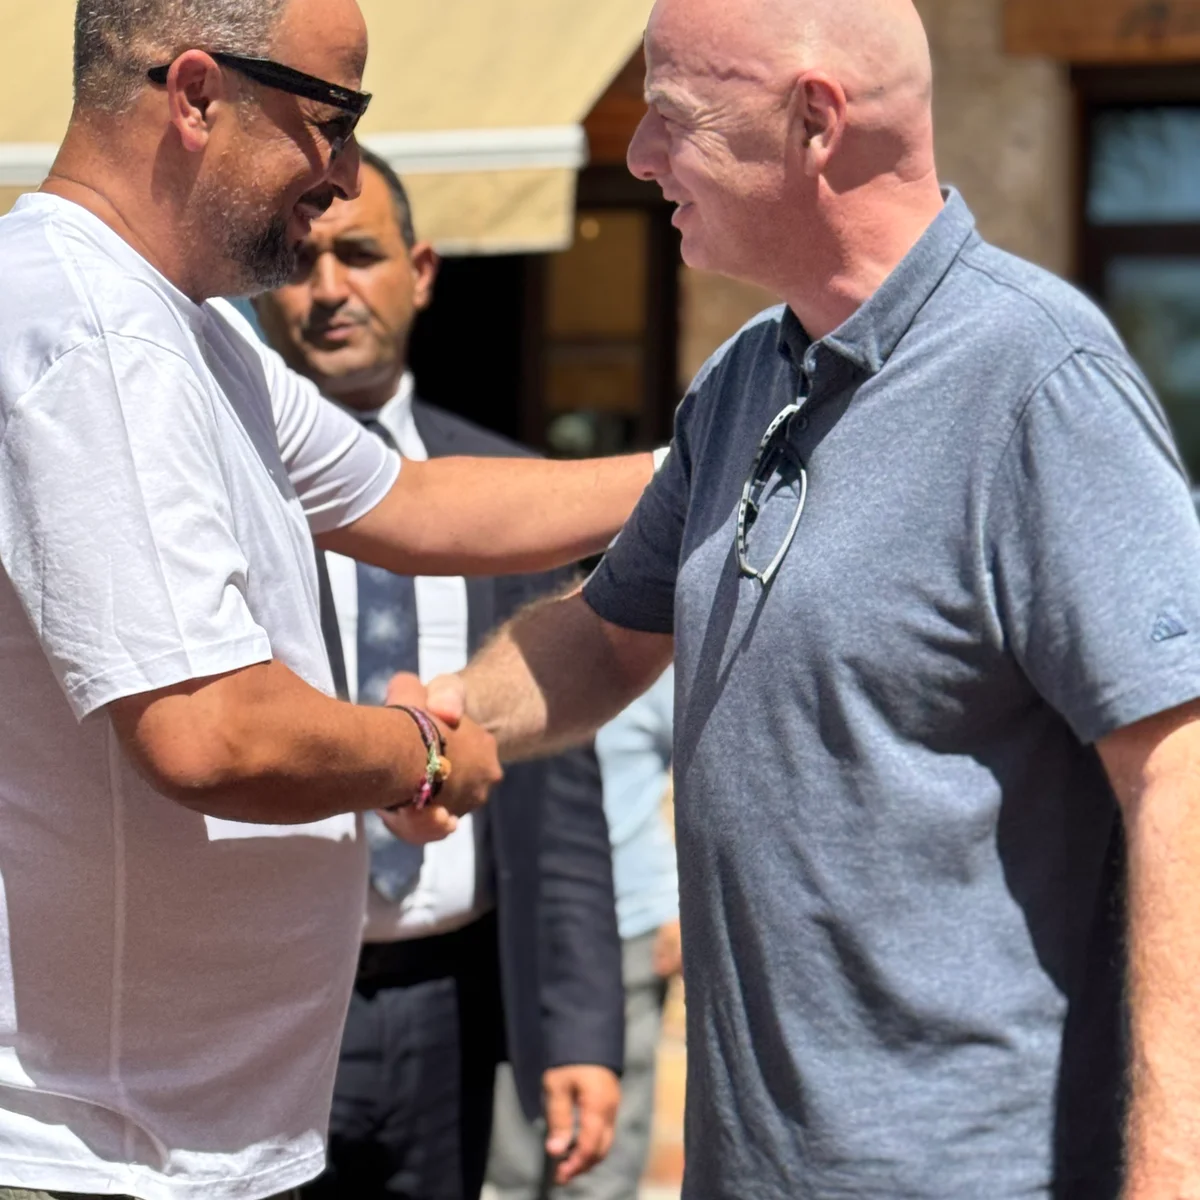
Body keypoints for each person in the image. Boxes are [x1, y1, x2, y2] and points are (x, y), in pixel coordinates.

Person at [404, 0, 1200, 1195]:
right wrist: (435, 723)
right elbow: (611, 638)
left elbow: (1179, 777)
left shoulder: (1039, 383)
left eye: (670, 117)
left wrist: (1170, 1167)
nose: (637, 157)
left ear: (814, 121)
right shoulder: (748, 374)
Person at [0, 1, 657, 1197]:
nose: (342, 174)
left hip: (193, 1134)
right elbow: (212, 728)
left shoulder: (187, 329)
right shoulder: (92, 337)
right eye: (329, 120)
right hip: (104, 1152)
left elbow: (413, 505)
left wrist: (701, 467)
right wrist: (418, 753)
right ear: (196, 93)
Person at [253, 151, 624, 1200]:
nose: (329, 288)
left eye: (360, 254)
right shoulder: (226, 493)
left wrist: (582, 1030)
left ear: (420, 270)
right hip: (272, 1007)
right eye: (300, 259)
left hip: (452, 1008)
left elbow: (561, 797)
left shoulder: (508, 500)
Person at [488, 666, 679, 1200]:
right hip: (522, 929)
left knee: (601, 1169)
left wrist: (684, 902)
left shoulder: (643, 662)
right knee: (509, 1164)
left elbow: (719, 765)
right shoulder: (510, 665)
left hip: (629, 927)